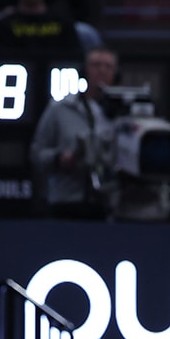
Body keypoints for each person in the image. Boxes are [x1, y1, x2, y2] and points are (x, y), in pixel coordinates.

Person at [29, 47, 121, 219]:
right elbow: (36, 153)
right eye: (96, 65)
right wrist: (59, 159)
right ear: (84, 70)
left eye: (108, 66)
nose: (102, 70)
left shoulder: (125, 115)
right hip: (67, 201)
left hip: (112, 204)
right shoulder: (60, 109)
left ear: (116, 73)